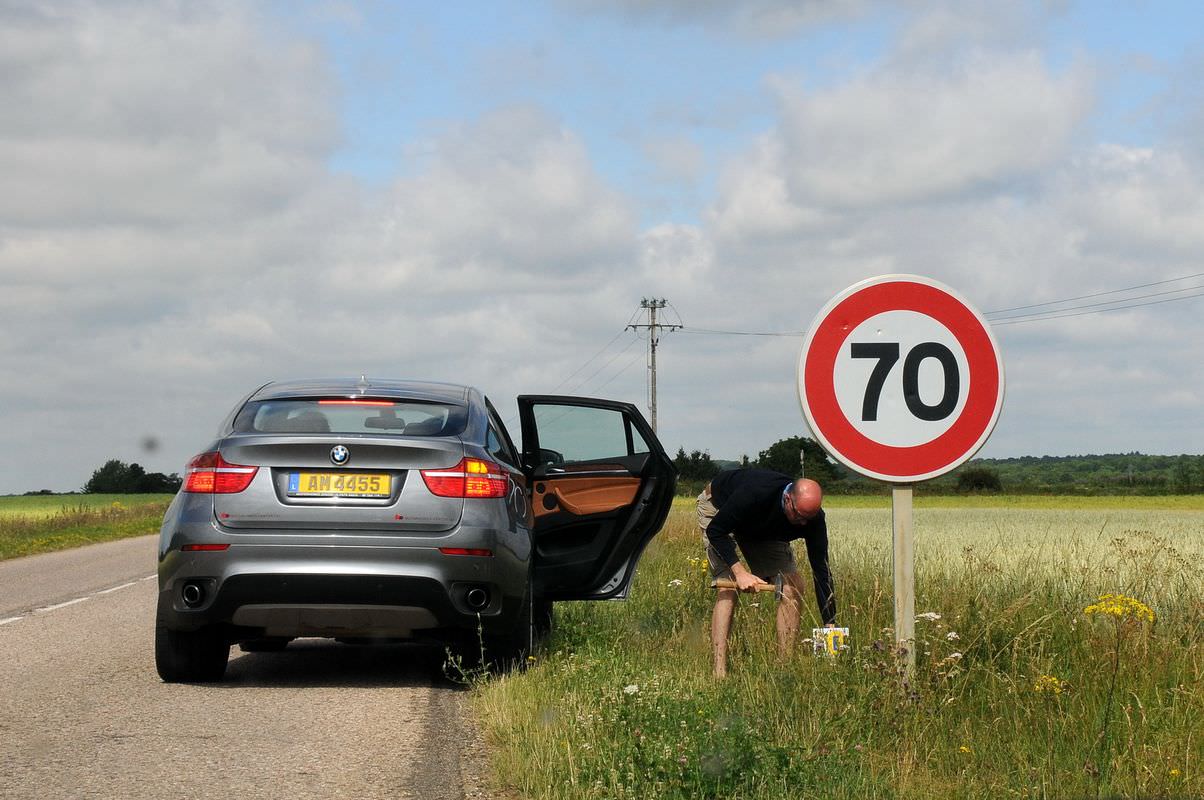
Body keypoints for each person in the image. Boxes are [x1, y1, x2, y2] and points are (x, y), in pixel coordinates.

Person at [698, 469, 835, 678]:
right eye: (799, 516)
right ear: (788, 499)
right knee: (729, 584)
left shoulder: (811, 518)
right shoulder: (756, 493)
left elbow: (821, 570)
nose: (803, 524)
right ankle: (719, 672)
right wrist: (741, 572)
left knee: (793, 586)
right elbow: (716, 531)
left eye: (809, 518)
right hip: (719, 510)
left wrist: (830, 624)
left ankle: (784, 670)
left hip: (759, 526)